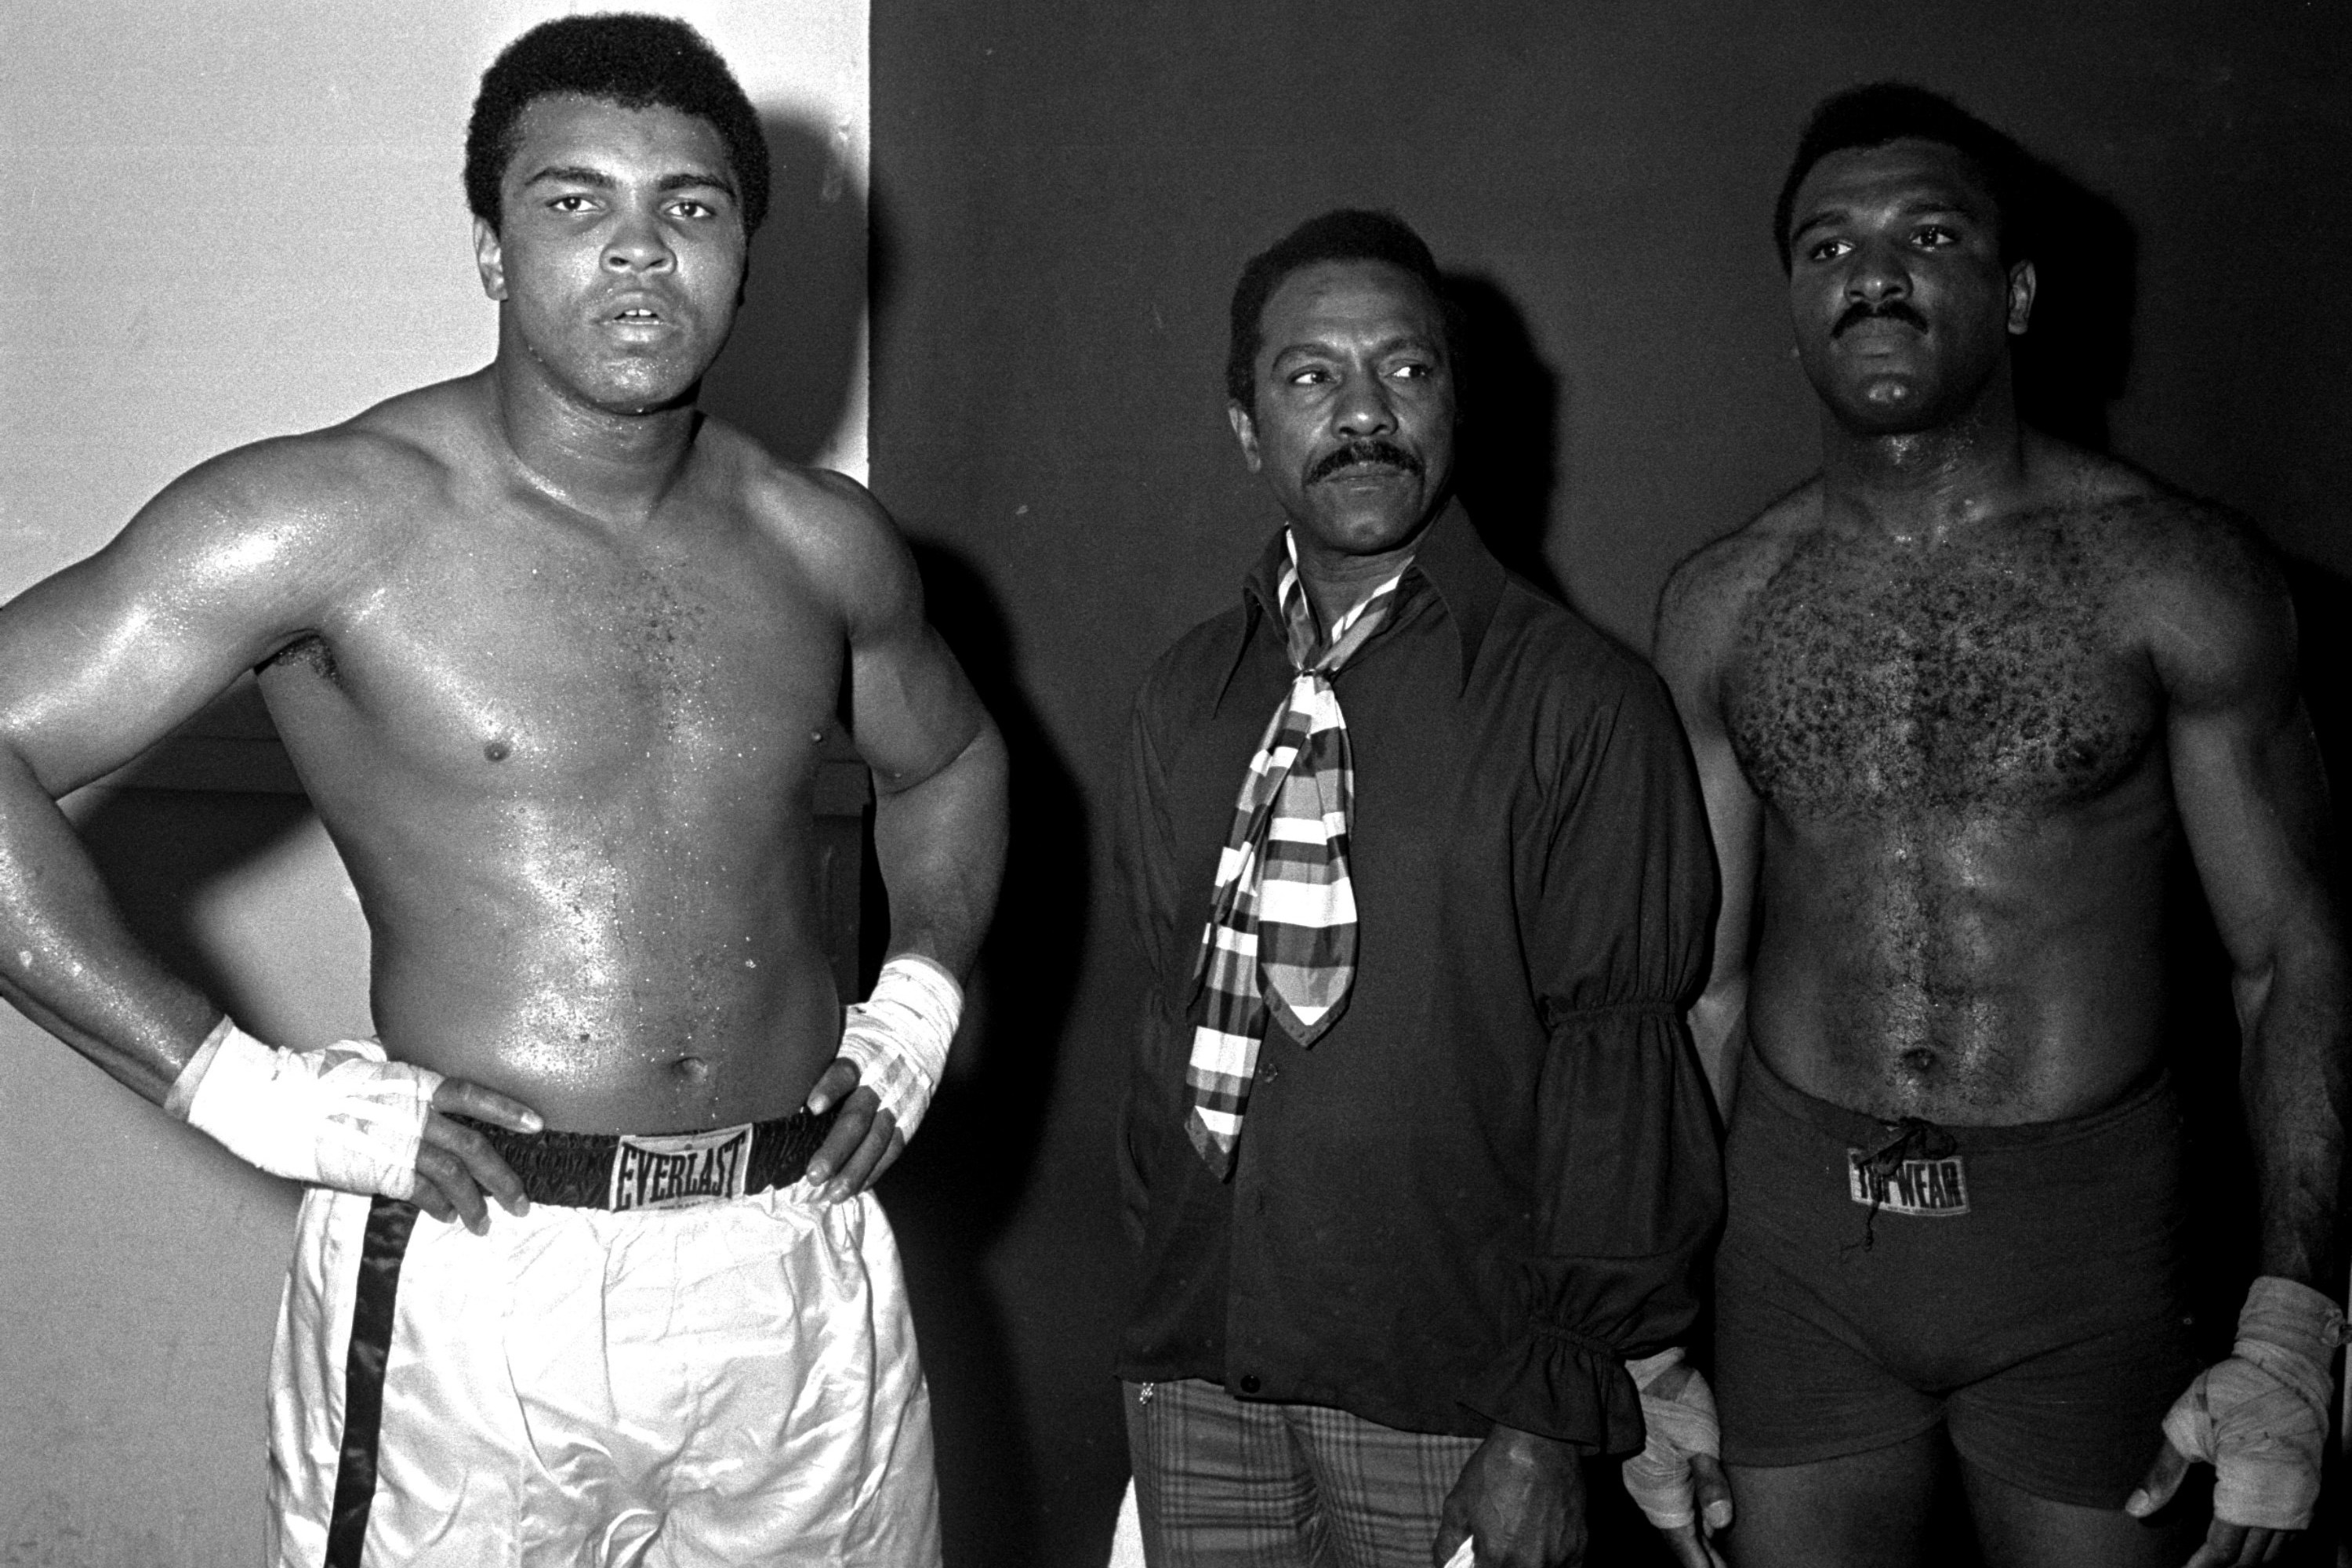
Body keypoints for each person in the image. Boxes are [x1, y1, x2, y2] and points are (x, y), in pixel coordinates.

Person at [0, 14, 1004, 1564]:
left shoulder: (822, 543)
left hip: (794, 1258)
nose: (637, 252)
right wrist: (240, 1088)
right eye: (572, 201)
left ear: (745, 248)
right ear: (488, 247)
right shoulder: (327, 517)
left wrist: (924, 992)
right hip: (482, 1272)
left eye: (690, 206)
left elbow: (949, 760)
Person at [1654, 82, 2349, 1568]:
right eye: (1829, 248)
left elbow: (2290, 956)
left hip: (2084, 1263)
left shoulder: (2171, 575)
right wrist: (1644, 1336)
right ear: (1792, 307)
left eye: (1930, 233)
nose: (1876, 272)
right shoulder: (1723, 604)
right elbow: (1699, 989)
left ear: (2017, 291)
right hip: (1798, 1263)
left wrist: (2293, 1323)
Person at [1112, 208, 1730, 1568]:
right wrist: (1156, 1351)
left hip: (1459, 1403)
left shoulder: (1581, 703)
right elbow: (1168, 1039)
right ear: (1243, 422)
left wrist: (1545, 1421)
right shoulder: (1185, 698)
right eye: (1310, 376)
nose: (1364, 414)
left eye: (1406, 370)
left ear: (1459, 399)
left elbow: (1617, 1081)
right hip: (1201, 1376)